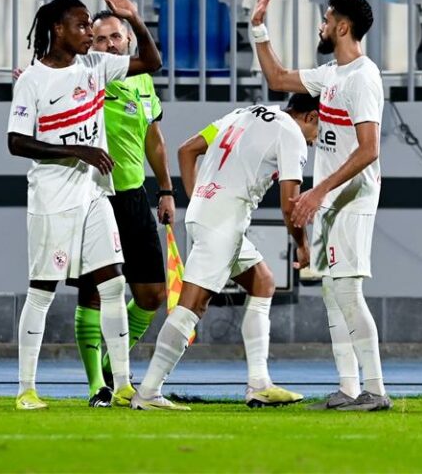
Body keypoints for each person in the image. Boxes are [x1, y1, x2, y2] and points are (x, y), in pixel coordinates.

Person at [7, 0, 162, 410]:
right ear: (57, 30)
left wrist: (132, 16)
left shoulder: (96, 64)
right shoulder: (34, 80)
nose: (89, 33)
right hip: (52, 200)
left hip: (95, 195)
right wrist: (77, 150)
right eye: (81, 26)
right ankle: (26, 389)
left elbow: (152, 61)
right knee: (42, 292)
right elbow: (16, 142)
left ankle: (124, 385)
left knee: (113, 285)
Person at [248, 0, 392, 412]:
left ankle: (376, 390)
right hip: (330, 199)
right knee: (332, 293)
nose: (322, 25)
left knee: (346, 291)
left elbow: (370, 150)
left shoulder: (363, 78)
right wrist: (259, 30)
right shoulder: (330, 75)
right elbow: (276, 79)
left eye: (327, 19)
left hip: (353, 198)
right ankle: (349, 388)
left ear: (343, 27)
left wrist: (318, 191)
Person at [131, 94, 320, 411]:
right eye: (319, 131)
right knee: (193, 306)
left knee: (263, 282)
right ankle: (148, 392)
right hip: (224, 222)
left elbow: (187, 149)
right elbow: (291, 206)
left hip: (208, 214)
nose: (315, 142)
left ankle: (259, 384)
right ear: (312, 116)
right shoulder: (291, 134)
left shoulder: (245, 113)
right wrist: (302, 245)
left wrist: (200, 199)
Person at [71, 10, 175, 407]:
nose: (109, 44)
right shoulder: (87, 76)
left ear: (129, 42)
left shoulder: (145, 82)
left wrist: (166, 191)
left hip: (133, 197)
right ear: (91, 46)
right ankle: (99, 384)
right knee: (95, 295)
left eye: (116, 37)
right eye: (100, 39)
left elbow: (155, 140)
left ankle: (116, 368)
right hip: (93, 195)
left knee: (151, 295)